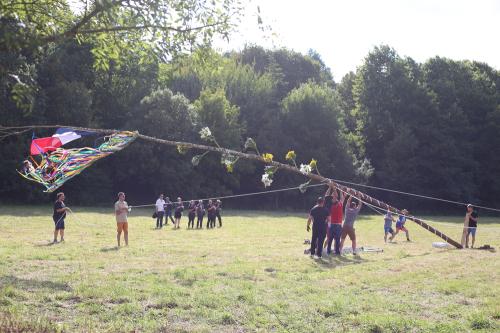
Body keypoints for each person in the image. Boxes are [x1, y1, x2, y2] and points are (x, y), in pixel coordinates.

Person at [326, 185, 346, 255]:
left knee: (337, 239)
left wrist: (340, 190)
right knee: (330, 239)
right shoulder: (331, 205)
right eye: (334, 198)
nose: (335, 198)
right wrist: (333, 188)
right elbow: (329, 196)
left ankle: (336, 252)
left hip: (338, 225)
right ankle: (328, 251)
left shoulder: (340, 203)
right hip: (332, 224)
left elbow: (342, 198)